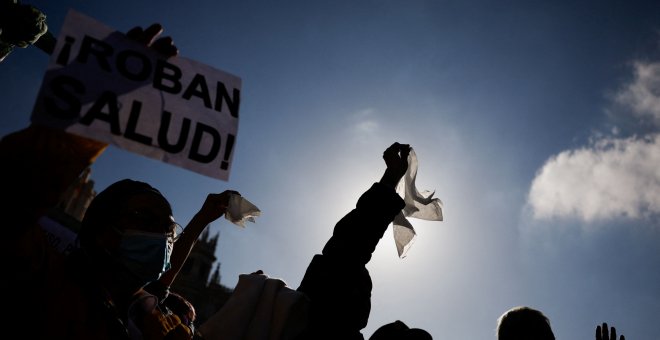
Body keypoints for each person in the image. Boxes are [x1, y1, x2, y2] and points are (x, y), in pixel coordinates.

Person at [293, 142, 432, 340]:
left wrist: (390, 178)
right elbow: (347, 255)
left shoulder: (322, 327)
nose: (399, 324)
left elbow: (345, 254)